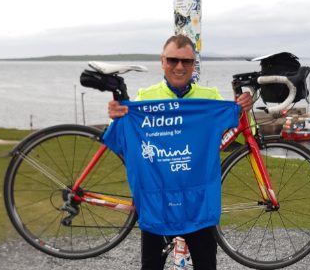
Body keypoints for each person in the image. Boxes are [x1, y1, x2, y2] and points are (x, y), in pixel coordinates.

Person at [108, 34, 253, 270]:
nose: (179, 66)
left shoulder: (210, 99)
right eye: (173, 60)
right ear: (162, 61)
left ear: (194, 65)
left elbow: (244, 133)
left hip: (198, 203)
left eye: (186, 61)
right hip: (158, 202)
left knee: (207, 266)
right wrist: (117, 118)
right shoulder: (144, 98)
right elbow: (126, 142)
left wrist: (242, 109)